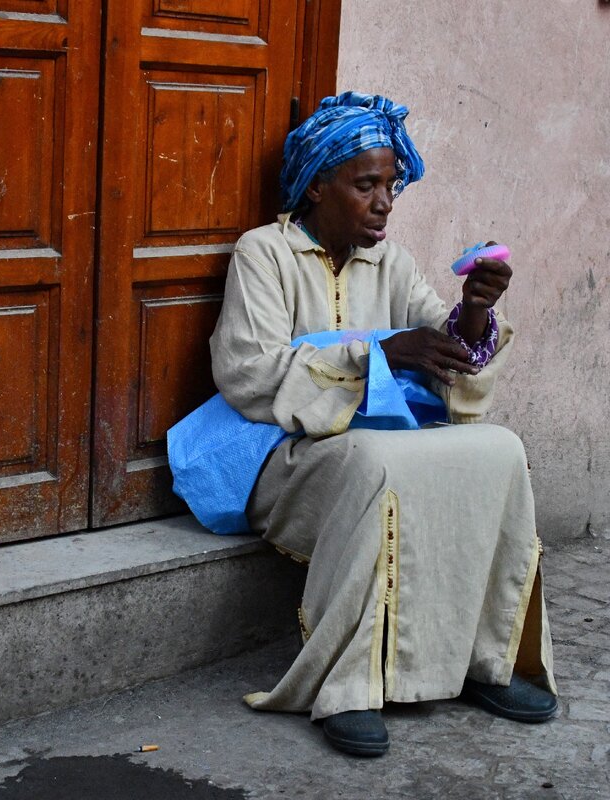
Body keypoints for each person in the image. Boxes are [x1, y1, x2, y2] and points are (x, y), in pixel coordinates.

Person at [208, 92, 557, 757]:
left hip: (383, 447)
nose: (385, 202)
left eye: (391, 186)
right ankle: (346, 686)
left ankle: (484, 660)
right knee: (375, 461)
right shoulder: (264, 254)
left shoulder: (391, 263)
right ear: (316, 186)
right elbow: (248, 371)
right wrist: (375, 355)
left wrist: (475, 313)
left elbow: (447, 350)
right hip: (287, 454)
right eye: (365, 184)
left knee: (501, 449)